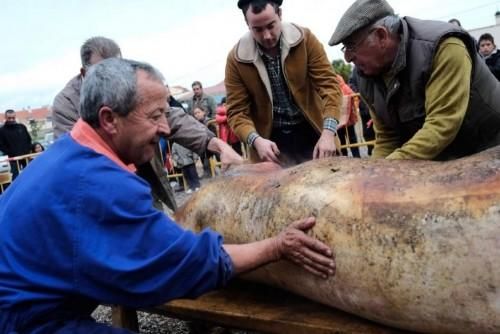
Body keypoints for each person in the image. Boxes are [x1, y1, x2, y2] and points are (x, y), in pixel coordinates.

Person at [0, 58, 335, 334]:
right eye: (155, 116)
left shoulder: (67, 155)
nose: (165, 129)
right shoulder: (99, 183)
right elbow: (179, 265)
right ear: (109, 119)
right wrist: (276, 247)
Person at [51, 36, 243, 211]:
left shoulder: (131, 83)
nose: (111, 77)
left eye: (117, 67)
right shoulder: (66, 105)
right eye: (102, 71)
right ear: (84, 72)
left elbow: (169, 116)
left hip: (144, 180)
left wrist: (216, 144)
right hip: (103, 197)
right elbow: (78, 161)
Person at [329, 0, 500, 161]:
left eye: (351, 46)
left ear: (381, 36)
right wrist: (372, 174)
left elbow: (441, 126)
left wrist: (382, 173)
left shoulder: (443, 47)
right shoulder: (366, 75)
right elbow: (388, 136)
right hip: (443, 157)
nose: (347, 58)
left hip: (489, 149)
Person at [225, 0, 342, 166]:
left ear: (279, 14)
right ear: (247, 23)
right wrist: (256, 141)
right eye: (257, 29)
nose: (267, 35)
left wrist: (329, 132)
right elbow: (237, 112)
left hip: (314, 132)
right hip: (270, 145)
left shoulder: (305, 39)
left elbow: (330, 87)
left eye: (271, 25)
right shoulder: (236, 59)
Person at [349, 67, 375, 155]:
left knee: (383, 132)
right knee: (367, 132)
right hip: (365, 108)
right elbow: (351, 83)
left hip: (377, 106)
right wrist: (359, 93)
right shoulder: (356, 69)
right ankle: (370, 149)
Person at [0, 109, 32, 179]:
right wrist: (12, 153)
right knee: (16, 178)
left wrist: (27, 150)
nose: (11, 119)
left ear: (15, 117)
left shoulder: (22, 127)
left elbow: (28, 139)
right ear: (5, 118)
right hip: (13, 159)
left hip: (25, 156)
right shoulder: (2, 130)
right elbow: (1, 145)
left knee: (30, 176)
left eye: (13, 118)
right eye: (9, 118)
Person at [335, 74, 360, 158]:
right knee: (342, 140)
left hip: (348, 120)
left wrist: (355, 107)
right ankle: (345, 156)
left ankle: (356, 156)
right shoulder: (333, 90)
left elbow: (355, 96)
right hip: (339, 121)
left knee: (352, 138)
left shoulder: (345, 87)